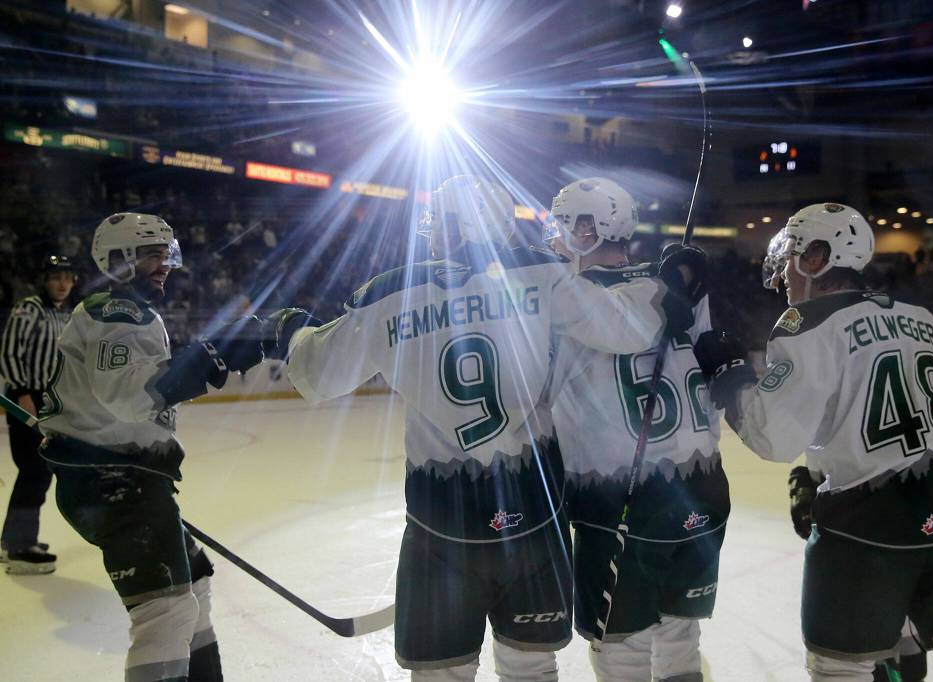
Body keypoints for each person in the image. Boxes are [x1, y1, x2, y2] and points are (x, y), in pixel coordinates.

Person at [267, 175, 699, 681]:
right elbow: (628, 328)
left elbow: (315, 376)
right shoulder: (542, 274)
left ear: (448, 228)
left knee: (441, 673)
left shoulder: (391, 292)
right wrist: (663, 287)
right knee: (530, 667)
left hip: (440, 519)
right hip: (533, 510)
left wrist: (292, 328)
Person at [693, 203, 933, 681]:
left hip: (874, 522)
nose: (783, 272)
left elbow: (773, 436)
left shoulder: (805, 325)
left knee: (841, 670)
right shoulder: (918, 317)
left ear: (817, 258)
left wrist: (730, 376)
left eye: (791, 256)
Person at [37, 213, 264, 682]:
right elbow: (128, 396)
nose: (164, 265)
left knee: (193, 584)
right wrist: (211, 356)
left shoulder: (127, 312)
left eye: (167, 253)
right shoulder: (114, 313)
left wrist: (214, 352)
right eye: (152, 255)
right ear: (117, 261)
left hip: (128, 479)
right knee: (165, 611)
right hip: (112, 482)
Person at [544, 178, 728, 682]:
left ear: (587, 228)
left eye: (563, 223)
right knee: (679, 643)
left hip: (623, 501)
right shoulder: (680, 285)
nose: (554, 235)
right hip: (703, 489)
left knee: (622, 651)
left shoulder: (565, 296)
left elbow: (533, 393)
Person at [0, 255, 76, 574]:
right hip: (26, 401)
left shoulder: (67, 315)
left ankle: (15, 539)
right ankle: (19, 546)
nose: (61, 283)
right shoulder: (29, 308)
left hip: (50, 405)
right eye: (55, 277)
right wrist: (22, 395)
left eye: (67, 277)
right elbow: (9, 352)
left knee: (39, 472)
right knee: (34, 471)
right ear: (44, 280)